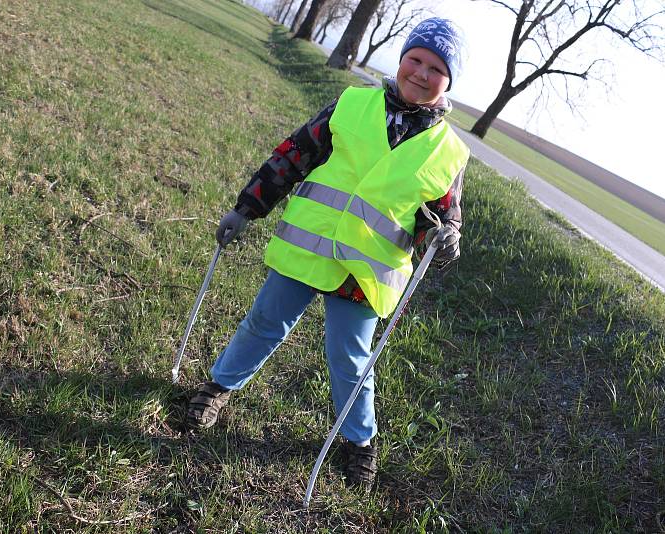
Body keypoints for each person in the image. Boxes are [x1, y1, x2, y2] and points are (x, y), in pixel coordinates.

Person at [186, 18, 470, 490]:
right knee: (263, 323)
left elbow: (441, 216)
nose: (420, 73)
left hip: (365, 271)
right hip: (309, 246)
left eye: (436, 68)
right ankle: (218, 388)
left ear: (449, 81)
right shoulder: (352, 103)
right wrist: (247, 207)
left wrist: (444, 239)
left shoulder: (449, 151)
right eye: (415, 59)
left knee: (350, 358)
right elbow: (294, 155)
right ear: (402, 60)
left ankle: (359, 441)